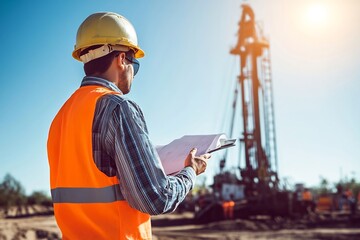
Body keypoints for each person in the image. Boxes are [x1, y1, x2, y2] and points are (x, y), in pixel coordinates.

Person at [47, 12, 211, 240]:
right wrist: (190, 172)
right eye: (136, 64)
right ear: (122, 59)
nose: (134, 73)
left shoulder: (61, 118)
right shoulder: (117, 108)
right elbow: (155, 198)